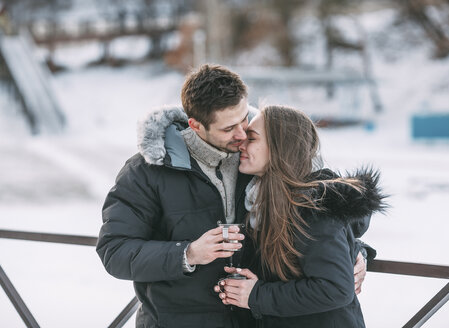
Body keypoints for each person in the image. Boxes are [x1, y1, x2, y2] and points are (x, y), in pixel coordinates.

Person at [96, 64, 369, 328]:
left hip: (250, 319)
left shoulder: (262, 157)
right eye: (228, 129)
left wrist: (356, 253)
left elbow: (319, 212)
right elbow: (114, 251)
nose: (241, 135)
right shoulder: (146, 172)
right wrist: (188, 253)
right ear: (196, 125)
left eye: (244, 120)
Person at [215, 105, 385, 327]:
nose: (241, 145)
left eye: (252, 138)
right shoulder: (258, 203)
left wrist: (256, 296)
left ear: (281, 148)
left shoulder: (312, 207)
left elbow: (334, 289)